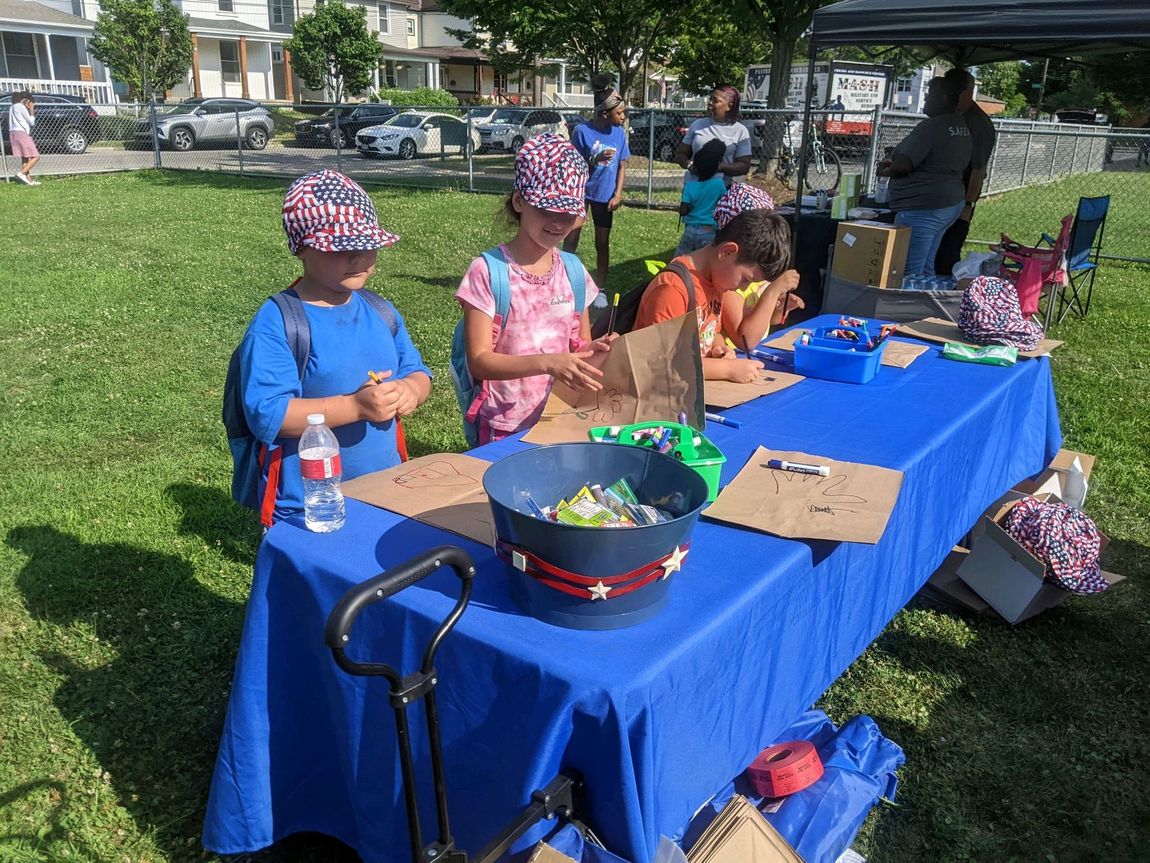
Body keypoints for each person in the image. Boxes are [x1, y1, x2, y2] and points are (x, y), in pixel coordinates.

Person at [237, 169, 432, 524]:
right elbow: (268, 413)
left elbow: (418, 372)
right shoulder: (280, 322)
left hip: (386, 489)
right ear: (301, 249)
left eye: (366, 245)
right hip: (310, 504)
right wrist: (355, 407)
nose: (358, 256)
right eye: (342, 247)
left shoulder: (380, 311)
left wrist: (410, 390)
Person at [457, 133, 616, 443]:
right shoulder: (488, 273)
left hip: (561, 418)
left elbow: (579, 346)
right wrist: (547, 362)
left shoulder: (573, 272)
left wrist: (593, 351)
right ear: (519, 201)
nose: (558, 223)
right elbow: (479, 360)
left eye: (567, 214)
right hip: (504, 426)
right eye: (546, 210)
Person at [633, 208, 792, 382]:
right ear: (727, 252)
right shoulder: (672, 289)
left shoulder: (717, 282)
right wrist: (727, 369)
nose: (742, 287)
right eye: (745, 279)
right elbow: (666, 363)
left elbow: (708, 332)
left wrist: (718, 347)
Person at [878, 76, 971, 277]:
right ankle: (925, 304)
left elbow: (905, 164)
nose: (926, 99)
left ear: (943, 97)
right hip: (947, 203)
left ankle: (910, 307)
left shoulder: (932, 127)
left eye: (930, 95)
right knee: (925, 266)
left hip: (923, 208)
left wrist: (886, 169)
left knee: (910, 271)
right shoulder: (959, 125)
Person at [710, 183, 804, 351]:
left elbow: (767, 322)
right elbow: (746, 340)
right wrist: (772, 292)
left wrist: (779, 308)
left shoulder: (752, 274)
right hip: (734, 357)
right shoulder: (730, 284)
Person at [564, 74, 630, 291]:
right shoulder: (582, 132)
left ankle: (600, 288)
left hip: (605, 197)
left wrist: (618, 194)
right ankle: (562, 281)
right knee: (571, 238)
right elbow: (573, 165)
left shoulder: (619, 133)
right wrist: (594, 160)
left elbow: (622, 164)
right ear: (604, 113)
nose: (623, 117)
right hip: (581, 194)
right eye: (619, 113)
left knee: (602, 243)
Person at [934, 68, 998, 276]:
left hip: (959, 203)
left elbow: (978, 169)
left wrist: (967, 205)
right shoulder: (950, 116)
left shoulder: (978, 124)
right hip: (941, 199)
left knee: (946, 255)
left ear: (966, 92)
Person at [675, 86, 753, 187]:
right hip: (694, 187)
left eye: (715, 101)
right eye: (710, 99)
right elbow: (680, 154)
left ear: (729, 106)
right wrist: (690, 165)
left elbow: (744, 166)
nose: (710, 103)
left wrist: (719, 167)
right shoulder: (697, 125)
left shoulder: (740, 131)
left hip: (721, 190)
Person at [674, 139, 727, 256]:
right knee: (705, 260)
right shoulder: (719, 185)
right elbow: (724, 203)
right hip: (709, 230)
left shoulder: (690, 186)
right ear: (716, 167)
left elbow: (683, 211)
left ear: (695, 168)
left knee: (682, 259)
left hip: (690, 229)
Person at [7, 92, 41, 186]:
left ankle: (28, 180)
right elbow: (31, 122)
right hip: (21, 133)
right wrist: (31, 110)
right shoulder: (20, 107)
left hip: (13, 133)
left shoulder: (12, 107)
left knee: (25, 157)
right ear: (25, 100)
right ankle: (21, 174)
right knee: (36, 156)